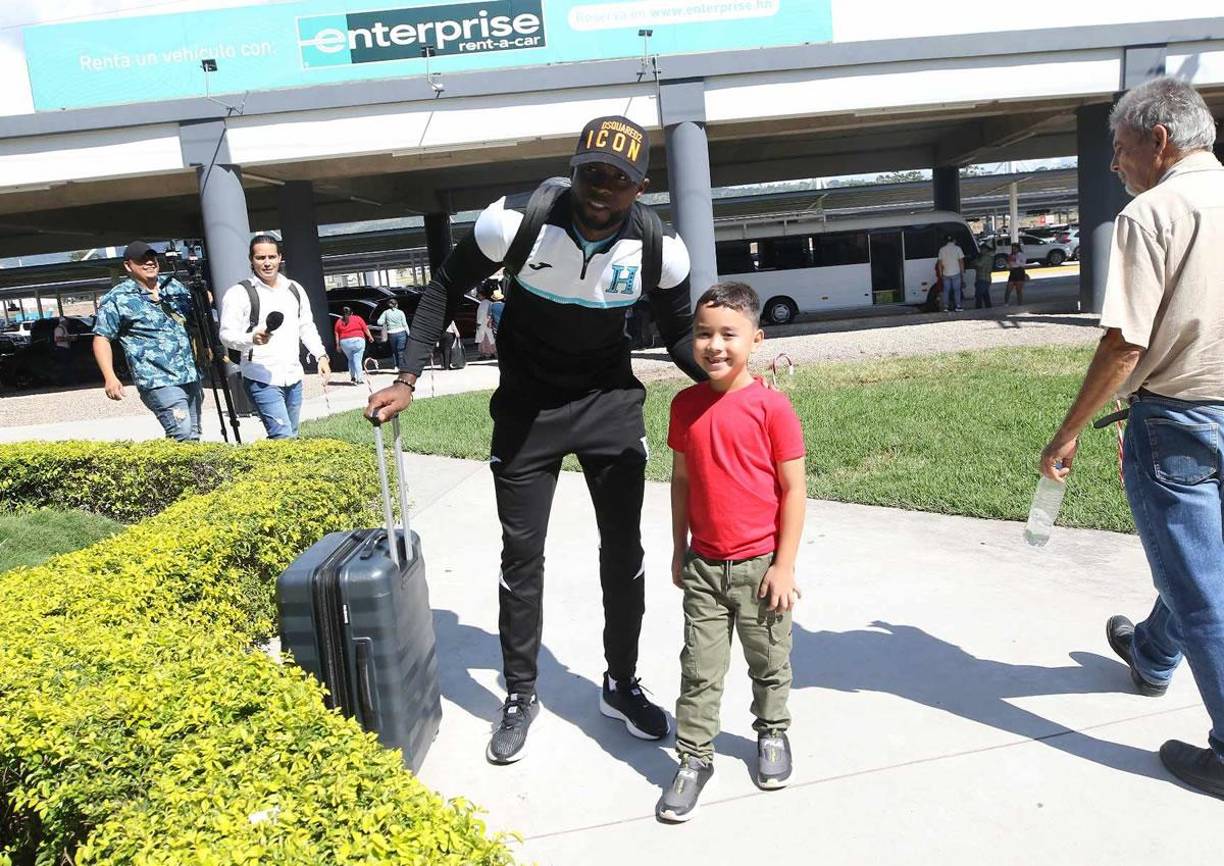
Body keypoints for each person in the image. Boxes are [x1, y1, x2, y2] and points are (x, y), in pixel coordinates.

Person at [367, 114, 706, 764]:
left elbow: (678, 333)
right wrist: (406, 376)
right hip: (527, 412)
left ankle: (621, 683)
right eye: (592, 174)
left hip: (608, 405)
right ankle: (521, 694)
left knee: (624, 552)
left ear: (641, 186)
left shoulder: (663, 249)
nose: (602, 189)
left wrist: (728, 377)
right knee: (522, 557)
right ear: (574, 170)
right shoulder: (514, 223)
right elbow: (442, 287)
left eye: (619, 179)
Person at [1039, 76, 1224, 800]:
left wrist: (1068, 430)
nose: (1115, 166)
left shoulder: (1154, 213)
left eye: (1119, 152)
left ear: (1159, 140)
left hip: (1179, 419)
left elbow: (1124, 344)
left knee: (1202, 586)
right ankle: (1150, 656)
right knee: (1196, 565)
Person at [657, 282, 805, 822]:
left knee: (769, 663)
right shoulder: (685, 405)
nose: (714, 345)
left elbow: (793, 490)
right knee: (699, 670)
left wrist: (785, 566)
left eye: (728, 334)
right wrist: (678, 550)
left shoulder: (772, 408)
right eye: (703, 334)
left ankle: (772, 733)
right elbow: (680, 483)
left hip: (762, 568)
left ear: (756, 339)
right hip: (703, 567)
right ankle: (694, 759)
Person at [219, 234, 329, 439]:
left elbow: (306, 325)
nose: (267, 263)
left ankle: (280, 470)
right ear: (251, 260)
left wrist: (320, 355)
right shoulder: (239, 293)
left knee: (292, 435)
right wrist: (251, 338)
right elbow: (226, 335)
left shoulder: (294, 289)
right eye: (261, 258)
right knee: (282, 435)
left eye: (271, 257)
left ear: (280, 257)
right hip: (260, 377)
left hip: (293, 375)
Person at [92, 241, 203, 441]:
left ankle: (183, 472)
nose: (150, 263)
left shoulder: (174, 287)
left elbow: (195, 320)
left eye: (152, 258)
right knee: (182, 433)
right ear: (128, 266)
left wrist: (204, 299)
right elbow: (102, 338)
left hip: (190, 374)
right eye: (142, 260)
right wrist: (110, 376)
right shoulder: (118, 298)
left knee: (192, 435)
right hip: (157, 379)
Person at [334, 305, 374, 384]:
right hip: (358, 341)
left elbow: (336, 334)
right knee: (357, 360)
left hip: (344, 343)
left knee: (350, 359)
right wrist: (370, 336)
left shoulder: (339, 321)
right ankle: (359, 379)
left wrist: (338, 345)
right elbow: (365, 328)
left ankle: (353, 377)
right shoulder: (357, 318)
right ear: (352, 313)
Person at [377, 298, 410, 369]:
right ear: (397, 305)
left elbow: (379, 322)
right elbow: (405, 324)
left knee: (394, 350)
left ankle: (396, 366)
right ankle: (402, 366)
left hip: (392, 334)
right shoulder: (401, 312)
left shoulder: (386, 313)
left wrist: (386, 321)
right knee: (401, 350)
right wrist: (408, 334)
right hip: (401, 332)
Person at [937, 234, 965, 312]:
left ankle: (946, 307)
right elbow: (961, 262)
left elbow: (939, 263)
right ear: (954, 240)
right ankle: (958, 306)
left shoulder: (942, 250)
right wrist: (962, 272)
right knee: (957, 290)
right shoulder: (958, 249)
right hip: (956, 273)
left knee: (946, 291)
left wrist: (941, 274)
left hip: (946, 273)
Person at [474, 283, 497, 359]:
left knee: (483, 340)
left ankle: (484, 354)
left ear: (482, 296)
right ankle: (492, 353)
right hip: (489, 324)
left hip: (483, 324)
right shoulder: (490, 303)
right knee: (490, 339)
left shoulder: (482, 304)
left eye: (479, 296)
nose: (478, 297)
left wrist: (478, 323)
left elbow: (481, 314)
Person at [972, 244, 995, 309]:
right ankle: (988, 308)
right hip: (986, 278)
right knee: (985, 295)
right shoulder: (989, 257)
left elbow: (979, 264)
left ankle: (978, 308)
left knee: (979, 295)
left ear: (985, 249)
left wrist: (974, 261)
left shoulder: (985, 257)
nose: (980, 251)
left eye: (981, 249)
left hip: (982, 278)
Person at [52, 317, 73, 384]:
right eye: (67, 321)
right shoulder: (59, 329)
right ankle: (63, 381)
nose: (68, 322)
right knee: (63, 365)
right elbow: (58, 339)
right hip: (61, 349)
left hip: (65, 348)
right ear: (63, 321)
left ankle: (67, 380)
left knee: (66, 365)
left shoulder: (64, 328)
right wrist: (69, 339)